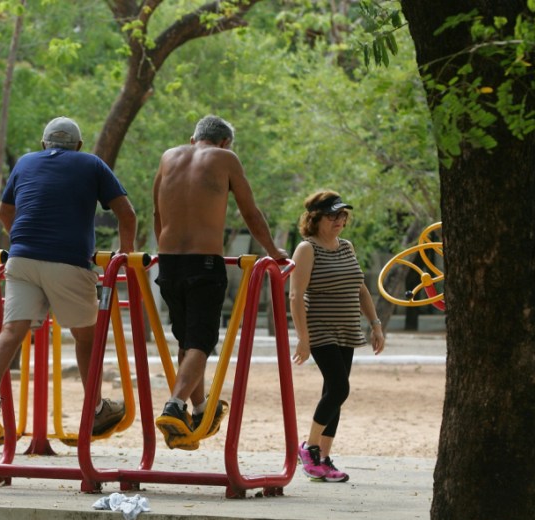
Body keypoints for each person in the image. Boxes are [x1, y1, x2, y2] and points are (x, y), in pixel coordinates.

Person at [0, 116, 137, 444]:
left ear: (44, 144)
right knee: (86, 338)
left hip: (21, 258)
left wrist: (25, 239)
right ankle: (97, 409)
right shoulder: (92, 163)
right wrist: (124, 256)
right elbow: (126, 214)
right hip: (68, 261)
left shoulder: (26, 162)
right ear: (79, 146)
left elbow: (4, 212)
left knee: (12, 330)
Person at [152, 114, 288, 450]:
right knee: (202, 341)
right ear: (225, 142)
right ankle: (175, 403)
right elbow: (250, 213)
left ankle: (198, 413)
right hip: (204, 262)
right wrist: (274, 251)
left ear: (193, 136)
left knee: (188, 340)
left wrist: (166, 252)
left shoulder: (169, 156)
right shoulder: (226, 158)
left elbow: (156, 213)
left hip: (168, 262)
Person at [288, 190, 385, 482]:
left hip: (347, 329)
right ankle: (308, 448)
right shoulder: (307, 249)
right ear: (315, 219)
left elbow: (360, 287)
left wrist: (375, 324)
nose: (339, 221)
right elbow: (295, 295)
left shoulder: (346, 247)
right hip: (321, 329)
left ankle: (324, 459)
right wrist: (303, 338)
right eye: (332, 216)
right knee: (340, 388)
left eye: (342, 215)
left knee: (333, 393)